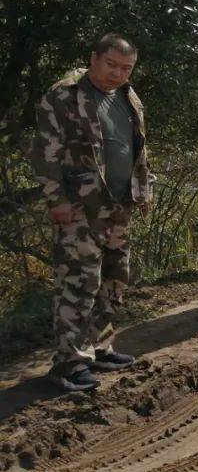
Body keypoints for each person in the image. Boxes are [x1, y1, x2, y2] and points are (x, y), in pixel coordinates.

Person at [30, 34, 153, 392]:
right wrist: (56, 200)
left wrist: (144, 189)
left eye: (126, 68)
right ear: (94, 58)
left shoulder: (128, 96)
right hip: (81, 206)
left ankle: (100, 346)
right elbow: (44, 153)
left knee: (114, 278)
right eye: (111, 64)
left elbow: (138, 148)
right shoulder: (64, 95)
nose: (117, 73)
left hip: (119, 205)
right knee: (78, 283)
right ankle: (70, 362)